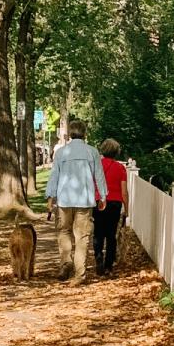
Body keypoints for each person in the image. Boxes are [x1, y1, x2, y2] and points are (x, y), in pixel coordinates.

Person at [45, 119, 106, 284]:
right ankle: (80, 273)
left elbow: (54, 176)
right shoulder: (92, 152)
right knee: (82, 237)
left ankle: (66, 262)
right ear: (84, 133)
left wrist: (50, 197)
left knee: (64, 231)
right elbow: (99, 175)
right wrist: (103, 196)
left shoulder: (61, 153)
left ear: (70, 134)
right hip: (84, 200)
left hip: (64, 199)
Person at [92, 139, 129, 276]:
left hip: (99, 201)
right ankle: (108, 266)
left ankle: (98, 257)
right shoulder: (120, 168)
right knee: (111, 234)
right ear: (116, 152)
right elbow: (124, 192)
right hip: (114, 203)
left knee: (98, 232)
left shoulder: (96, 166)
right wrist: (126, 209)